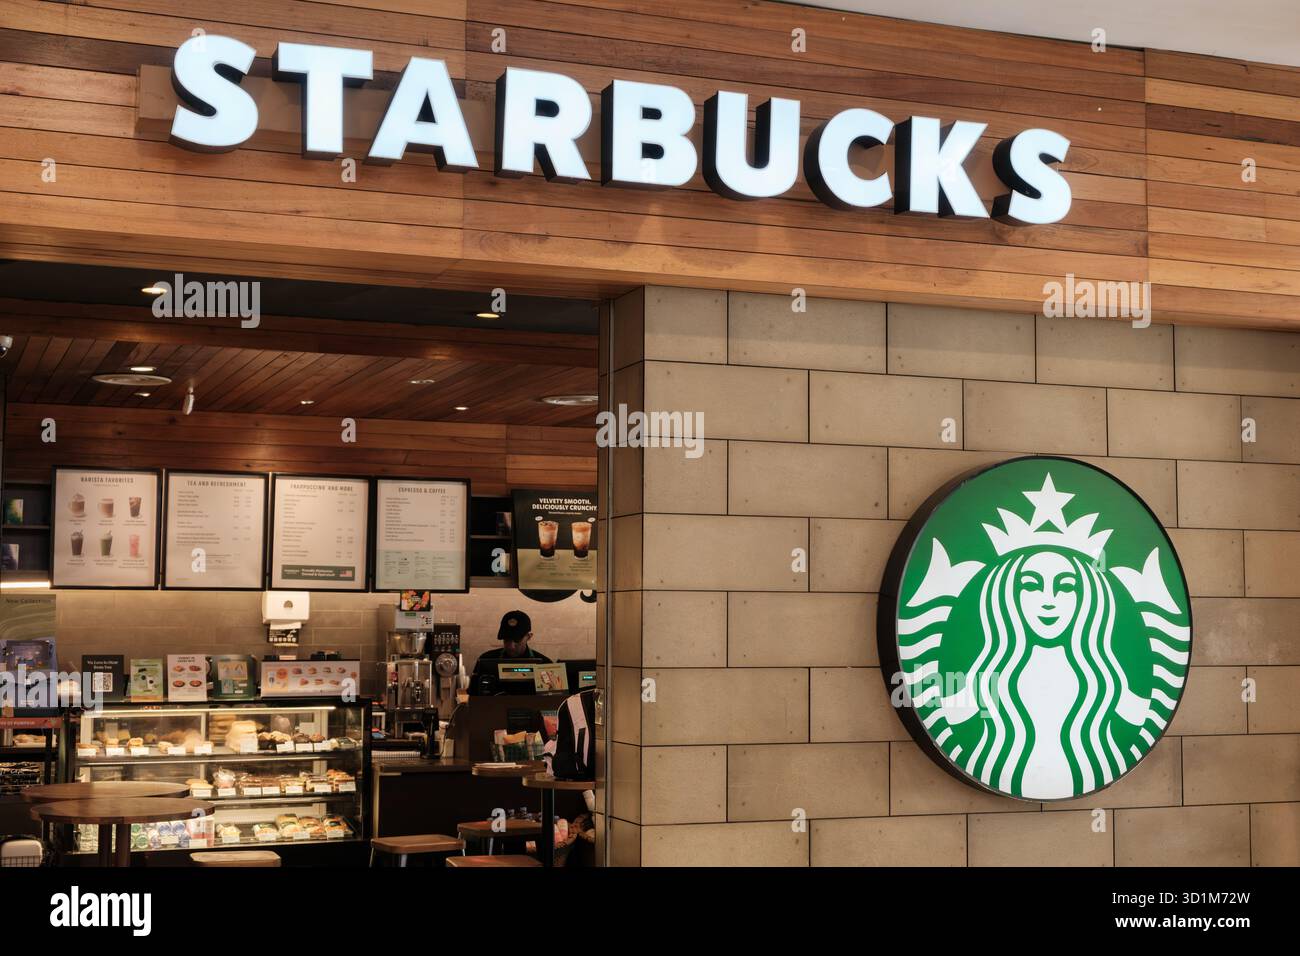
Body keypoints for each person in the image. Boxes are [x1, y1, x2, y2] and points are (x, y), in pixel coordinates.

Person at [470, 610, 552, 692]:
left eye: (517, 640)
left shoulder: (545, 665)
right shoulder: (485, 660)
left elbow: (554, 700)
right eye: (506, 639)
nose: (511, 646)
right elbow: (473, 696)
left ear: (529, 636)